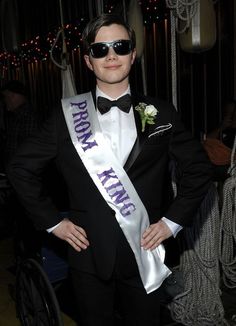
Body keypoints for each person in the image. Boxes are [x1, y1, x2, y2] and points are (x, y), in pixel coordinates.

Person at [6, 14, 212, 326]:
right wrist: (52, 222)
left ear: (133, 54)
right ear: (88, 61)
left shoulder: (161, 113)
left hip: (146, 251)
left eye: (120, 46)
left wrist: (171, 223)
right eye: (100, 49)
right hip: (88, 255)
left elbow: (198, 170)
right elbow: (20, 168)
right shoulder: (65, 116)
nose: (111, 55)